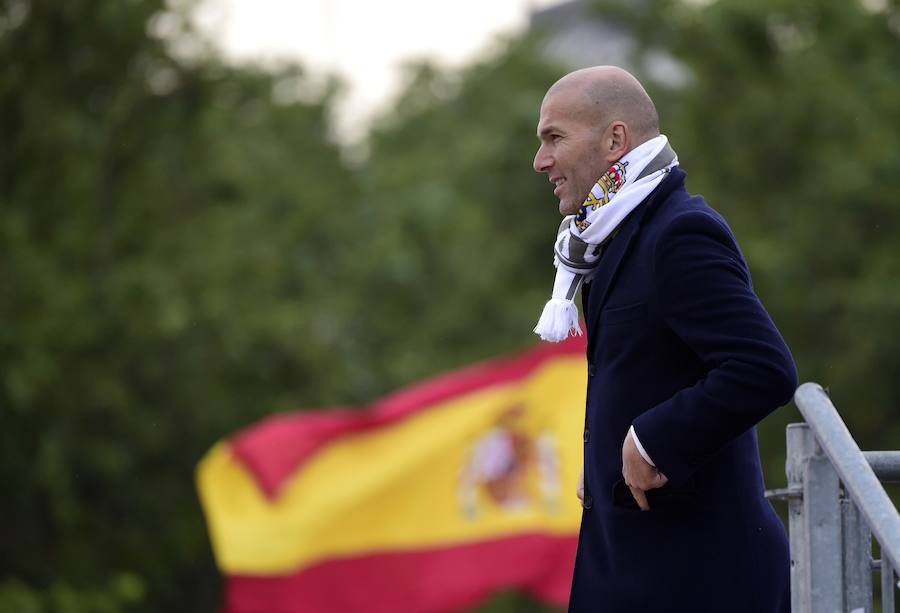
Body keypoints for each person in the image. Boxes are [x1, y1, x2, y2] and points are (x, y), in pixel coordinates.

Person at [532, 66, 797, 612]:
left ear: (615, 140)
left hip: (697, 579)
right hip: (643, 573)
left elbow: (762, 367)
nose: (541, 161)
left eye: (554, 137)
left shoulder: (677, 233)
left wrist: (650, 441)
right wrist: (607, 454)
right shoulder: (616, 237)